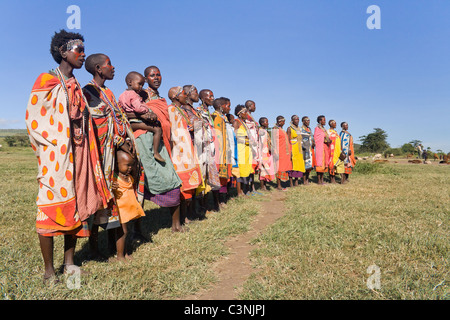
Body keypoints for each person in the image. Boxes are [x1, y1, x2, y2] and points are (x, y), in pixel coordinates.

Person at [25, 30, 112, 283]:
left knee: (76, 204)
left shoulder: (76, 85)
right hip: (56, 154)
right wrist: (58, 140)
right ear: (63, 52)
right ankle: (49, 270)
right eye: (78, 50)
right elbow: (34, 119)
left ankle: (70, 263)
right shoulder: (46, 81)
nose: (82, 54)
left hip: (80, 151)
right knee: (50, 205)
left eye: (84, 50)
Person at [83, 53, 142, 259]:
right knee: (100, 202)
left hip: (114, 156)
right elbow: (93, 125)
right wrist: (117, 139)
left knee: (115, 201)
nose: (113, 67)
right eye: (109, 64)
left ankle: (114, 246)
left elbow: (117, 119)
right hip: (100, 157)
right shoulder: (89, 92)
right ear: (99, 68)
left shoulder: (107, 91)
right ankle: (94, 247)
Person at [128, 66, 183, 231]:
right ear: (146, 78)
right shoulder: (139, 94)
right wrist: (145, 115)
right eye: (152, 75)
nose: (156, 77)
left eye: (158, 74)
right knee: (141, 183)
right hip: (145, 142)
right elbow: (126, 111)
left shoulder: (160, 98)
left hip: (160, 142)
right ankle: (137, 229)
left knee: (172, 180)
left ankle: (176, 224)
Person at [167, 86, 203, 229]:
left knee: (189, 187)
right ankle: (181, 218)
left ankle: (186, 216)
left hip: (187, 151)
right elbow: (172, 132)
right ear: (176, 97)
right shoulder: (171, 110)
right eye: (183, 94)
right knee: (182, 187)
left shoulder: (181, 110)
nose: (185, 96)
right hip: (178, 153)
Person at [118, 71, 164, 163]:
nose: (141, 87)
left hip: (128, 122)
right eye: (139, 84)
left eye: (142, 85)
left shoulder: (122, 95)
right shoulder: (133, 95)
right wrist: (147, 110)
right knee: (157, 129)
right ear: (130, 82)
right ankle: (156, 152)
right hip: (136, 121)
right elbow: (138, 108)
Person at [111, 150, 146, 261]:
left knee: (127, 232)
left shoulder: (129, 177)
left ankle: (126, 253)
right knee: (123, 232)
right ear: (117, 165)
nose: (130, 168)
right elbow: (111, 189)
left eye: (131, 165)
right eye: (127, 165)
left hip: (129, 210)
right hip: (121, 212)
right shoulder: (115, 179)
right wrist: (112, 186)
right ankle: (120, 255)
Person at [212, 97, 232, 207]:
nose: (229, 108)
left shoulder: (223, 117)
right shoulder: (216, 117)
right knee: (219, 177)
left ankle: (222, 200)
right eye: (228, 106)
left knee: (224, 177)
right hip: (219, 152)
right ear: (221, 106)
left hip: (225, 151)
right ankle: (217, 202)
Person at [233, 105, 254, 196]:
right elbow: (235, 136)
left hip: (246, 150)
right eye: (245, 112)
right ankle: (239, 192)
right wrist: (246, 140)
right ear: (240, 114)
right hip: (240, 149)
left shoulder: (244, 123)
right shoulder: (236, 122)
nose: (247, 114)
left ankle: (244, 190)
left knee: (246, 170)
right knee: (240, 171)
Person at [271, 116, 292, 190]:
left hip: (285, 152)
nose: (284, 123)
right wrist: (275, 152)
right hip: (279, 151)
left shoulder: (281, 129)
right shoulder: (275, 129)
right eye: (283, 121)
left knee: (283, 167)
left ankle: (282, 184)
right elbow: (273, 141)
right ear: (280, 121)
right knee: (279, 167)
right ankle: (279, 185)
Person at [244, 100, 261, 194]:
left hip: (254, 144)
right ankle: (247, 189)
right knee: (249, 166)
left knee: (253, 166)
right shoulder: (245, 116)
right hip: (249, 144)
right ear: (249, 106)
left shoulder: (250, 116)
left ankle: (252, 188)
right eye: (254, 106)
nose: (255, 107)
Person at [286, 115, 306, 187]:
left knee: (298, 165)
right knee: (292, 165)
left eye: (298, 119)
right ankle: (291, 182)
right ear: (292, 120)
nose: (297, 121)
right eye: (295, 119)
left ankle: (296, 181)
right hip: (293, 148)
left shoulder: (299, 129)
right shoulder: (289, 128)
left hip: (299, 149)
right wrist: (289, 150)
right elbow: (287, 140)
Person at [258, 117, 275, 190]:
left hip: (267, 152)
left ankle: (264, 185)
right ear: (262, 123)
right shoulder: (261, 131)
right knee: (263, 170)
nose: (268, 123)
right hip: (263, 152)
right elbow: (261, 143)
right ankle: (262, 186)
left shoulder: (264, 131)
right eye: (266, 122)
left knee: (266, 169)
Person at [314, 115, 331, 185]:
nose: (325, 121)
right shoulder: (317, 128)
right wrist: (325, 140)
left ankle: (322, 180)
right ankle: (318, 181)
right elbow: (316, 138)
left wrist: (328, 141)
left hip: (324, 148)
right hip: (319, 148)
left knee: (324, 164)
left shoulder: (323, 129)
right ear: (320, 121)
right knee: (319, 163)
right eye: (324, 120)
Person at [327, 120, 345, 184]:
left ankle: (342, 179)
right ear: (330, 124)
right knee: (332, 164)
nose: (335, 124)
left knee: (340, 163)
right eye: (334, 123)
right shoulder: (328, 132)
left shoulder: (336, 132)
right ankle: (332, 179)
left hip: (338, 151)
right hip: (332, 151)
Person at [300, 116, 315, 185]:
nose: (308, 122)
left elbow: (312, 137)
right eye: (306, 120)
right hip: (304, 149)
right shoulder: (300, 129)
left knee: (309, 166)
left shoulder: (309, 129)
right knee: (304, 165)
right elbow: (299, 139)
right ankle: (304, 180)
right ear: (303, 121)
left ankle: (307, 179)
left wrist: (313, 142)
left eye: (309, 120)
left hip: (310, 149)